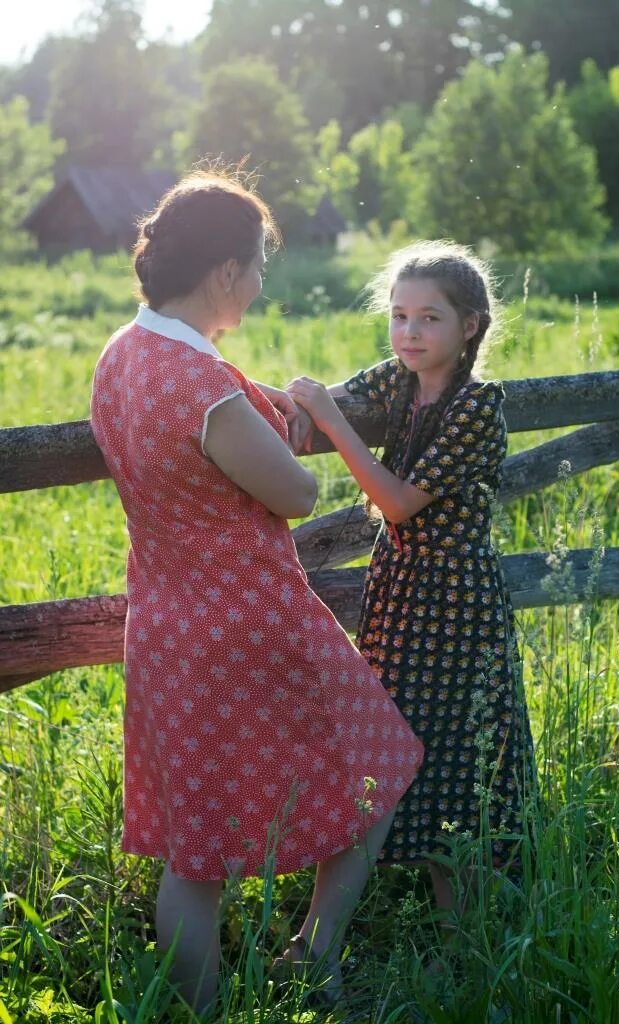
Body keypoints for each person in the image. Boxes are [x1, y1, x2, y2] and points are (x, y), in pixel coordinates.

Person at [89, 170, 424, 1011]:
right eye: (258, 265)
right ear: (226, 275)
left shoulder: (124, 355)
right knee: (377, 766)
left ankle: (203, 1013)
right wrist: (256, 408)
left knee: (192, 854)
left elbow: (196, 434)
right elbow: (295, 494)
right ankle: (313, 952)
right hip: (251, 620)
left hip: (165, 626)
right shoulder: (201, 386)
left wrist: (250, 396)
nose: (262, 281)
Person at [287, 240, 535, 915]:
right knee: (388, 743)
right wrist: (278, 403)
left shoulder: (477, 408)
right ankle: (395, 921)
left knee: (455, 749)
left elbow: (396, 504)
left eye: (429, 318)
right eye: (398, 316)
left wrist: (331, 420)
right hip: (398, 593)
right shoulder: (395, 381)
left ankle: (464, 929)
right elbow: (322, 401)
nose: (408, 332)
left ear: (469, 326)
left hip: (456, 601)